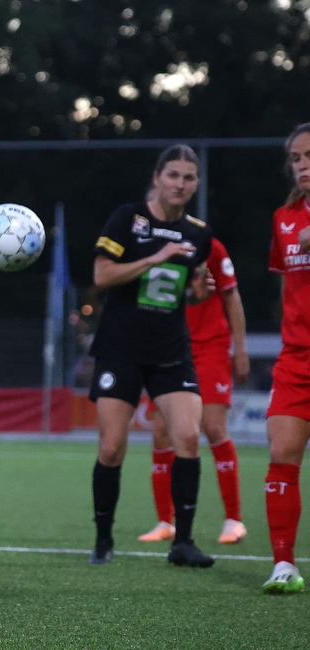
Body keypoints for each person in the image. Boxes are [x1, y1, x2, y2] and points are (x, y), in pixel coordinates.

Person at [87, 144, 215, 567]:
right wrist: (155, 256)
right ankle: (104, 540)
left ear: (196, 184)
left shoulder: (199, 234)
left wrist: (197, 295)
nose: (181, 184)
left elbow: (182, 291)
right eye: (173, 175)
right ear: (158, 177)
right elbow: (102, 275)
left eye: (189, 177)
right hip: (120, 349)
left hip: (170, 350)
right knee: (111, 448)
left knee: (187, 438)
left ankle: (183, 543)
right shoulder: (129, 219)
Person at [138, 237, 249, 545]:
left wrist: (240, 349)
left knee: (213, 426)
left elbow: (231, 295)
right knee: (161, 432)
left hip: (211, 347)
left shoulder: (208, 245)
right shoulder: (150, 246)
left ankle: (234, 520)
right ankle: (165, 522)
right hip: (170, 347)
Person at [261, 122, 310, 594]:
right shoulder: (285, 217)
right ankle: (284, 565)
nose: (303, 165)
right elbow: (286, 281)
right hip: (297, 358)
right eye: (296, 158)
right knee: (282, 455)